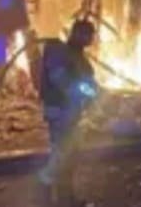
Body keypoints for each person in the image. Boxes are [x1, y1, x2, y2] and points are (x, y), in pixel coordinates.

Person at [37, 19, 100, 206]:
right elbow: (62, 81)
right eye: (88, 35)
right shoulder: (58, 53)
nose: (91, 39)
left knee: (71, 157)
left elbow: (89, 84)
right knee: (61, 155)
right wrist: (87, 92)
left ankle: (67, 199)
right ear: (77, 34)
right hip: (59, 111)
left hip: (72, 113)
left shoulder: (80, 59)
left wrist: (97, 95)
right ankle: (44, 190)